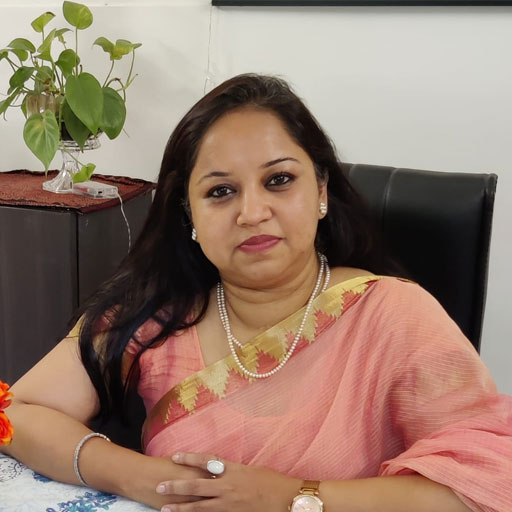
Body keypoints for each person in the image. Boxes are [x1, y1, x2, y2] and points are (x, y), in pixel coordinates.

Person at [1, 73, 511, 512]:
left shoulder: (394, 315)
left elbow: (488, 484)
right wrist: (141, 478)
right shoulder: (158, 314)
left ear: (321, 191)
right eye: (220, 191)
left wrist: (294, 498)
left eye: (279, 180)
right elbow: (13, 414)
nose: (252, 213)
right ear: (190, 216)